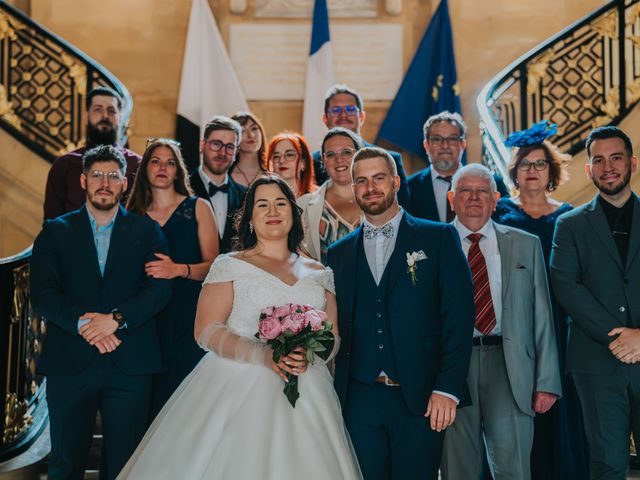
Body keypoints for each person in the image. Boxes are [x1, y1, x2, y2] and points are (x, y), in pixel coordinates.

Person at [117, 175, 362, 479]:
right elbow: (206, 330)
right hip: (235, 385)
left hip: (308, 390)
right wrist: (264, 355)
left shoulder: (320, 272)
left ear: (293, 213)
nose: (272, 211)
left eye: (280, 203)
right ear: (249, 218)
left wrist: (310, 354)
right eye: (262, 205)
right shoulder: (230, 265)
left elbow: (333, 335)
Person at [327, 147, 475, 479]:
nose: (370, 187)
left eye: (378, 178)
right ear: (353, 189)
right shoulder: (338, 254)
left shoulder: (437, 237)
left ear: (395, 181)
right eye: (361, 181)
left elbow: (459, 319)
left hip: (422, 396)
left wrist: (447, 388)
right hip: (359, 399)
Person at [30, 145, 171, 480]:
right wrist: (86, 325)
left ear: (125, 183)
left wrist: (115, 321)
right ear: (83, 181)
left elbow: (159, 291)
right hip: (70, 365)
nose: (104, 182)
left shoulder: (147, 231)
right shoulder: (55, 232)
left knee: (125, 466)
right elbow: (43, 294)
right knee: (65, 464)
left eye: (113, 175)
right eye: (96, 175)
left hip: (130, 365)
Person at [440, 164, 561, 480]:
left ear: (495, 199)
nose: (474, 198)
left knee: (513, 469)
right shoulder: (433, 243)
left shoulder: (525, 243)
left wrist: (547, 381)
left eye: (483, 191)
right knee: (457, 468)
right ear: (452, 198)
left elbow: (542, 316)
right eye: (466, 190)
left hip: (510, 367)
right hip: (453, 367)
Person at [492, 121, 588, 480]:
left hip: (559, 321)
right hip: (512, 320)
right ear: (515, 172)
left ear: (551, 171)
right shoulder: (499, 212)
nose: (532, 170)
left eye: (540, 164)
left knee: (557, 401)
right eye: (525, 164)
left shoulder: (570, 215)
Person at [551, 126, 640, 479]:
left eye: (616, 158)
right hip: (596, 362)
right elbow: (565, 285)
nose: (608, 167)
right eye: (598, 160)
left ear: (632, 163)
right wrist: (617, 336)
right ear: (588, 169)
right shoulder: (569, 225)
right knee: (607, 463)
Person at [126, 138, 219, 416]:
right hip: (146, 319)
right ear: (145, 170)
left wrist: (179, 269)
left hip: (188, 314)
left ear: (178, 171)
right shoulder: (132, 215)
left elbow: (215, 266)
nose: (162, 167)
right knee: (147, 403)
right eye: (155, 161)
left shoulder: (198, 207)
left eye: (170, 162)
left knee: (185, 401)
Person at [44, 86, 141, 219]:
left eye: (111, 110)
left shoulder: (137, 164)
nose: (105, 116)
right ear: (86, 115)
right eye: (98, 109)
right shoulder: (64, 164)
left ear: (120, 117)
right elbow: (51, 220)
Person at [312, 84, 411, 208]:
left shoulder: (390, 159)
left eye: (350, 109)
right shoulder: (312, 162)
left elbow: (404, 210)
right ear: (325, 119)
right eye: (336, 110)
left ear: (362, 117)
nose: (343, 115)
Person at [407, 111, 509, 222]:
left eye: (452, 139)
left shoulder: (493, 183)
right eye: (437, 139)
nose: (445, 145)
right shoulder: (408, 188)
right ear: (426, 146)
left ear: (462, 145)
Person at [298, 127, 363, 264]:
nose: (339, 159)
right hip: (323, 285)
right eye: (331, 154)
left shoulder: (380, 198)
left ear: (359, 156)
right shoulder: (302, 205)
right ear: (323, 160)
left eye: (346, 152)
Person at [189, 115, 247, 253]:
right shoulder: (181, 189)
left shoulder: (245, 195)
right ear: (202, 145)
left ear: (236, 152)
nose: (222, 152)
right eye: (216, 144)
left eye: (229, 147)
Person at [267, 132, 317, 197]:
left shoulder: (319, 198)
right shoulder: (263, 197)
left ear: (303, 163)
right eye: (276, 156)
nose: (281, 160)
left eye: (289, 155)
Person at [230, 111, 268, 187]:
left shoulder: (273, 173)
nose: (251, 135)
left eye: (254, 128)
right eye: (242, 131)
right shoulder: (224, 176)